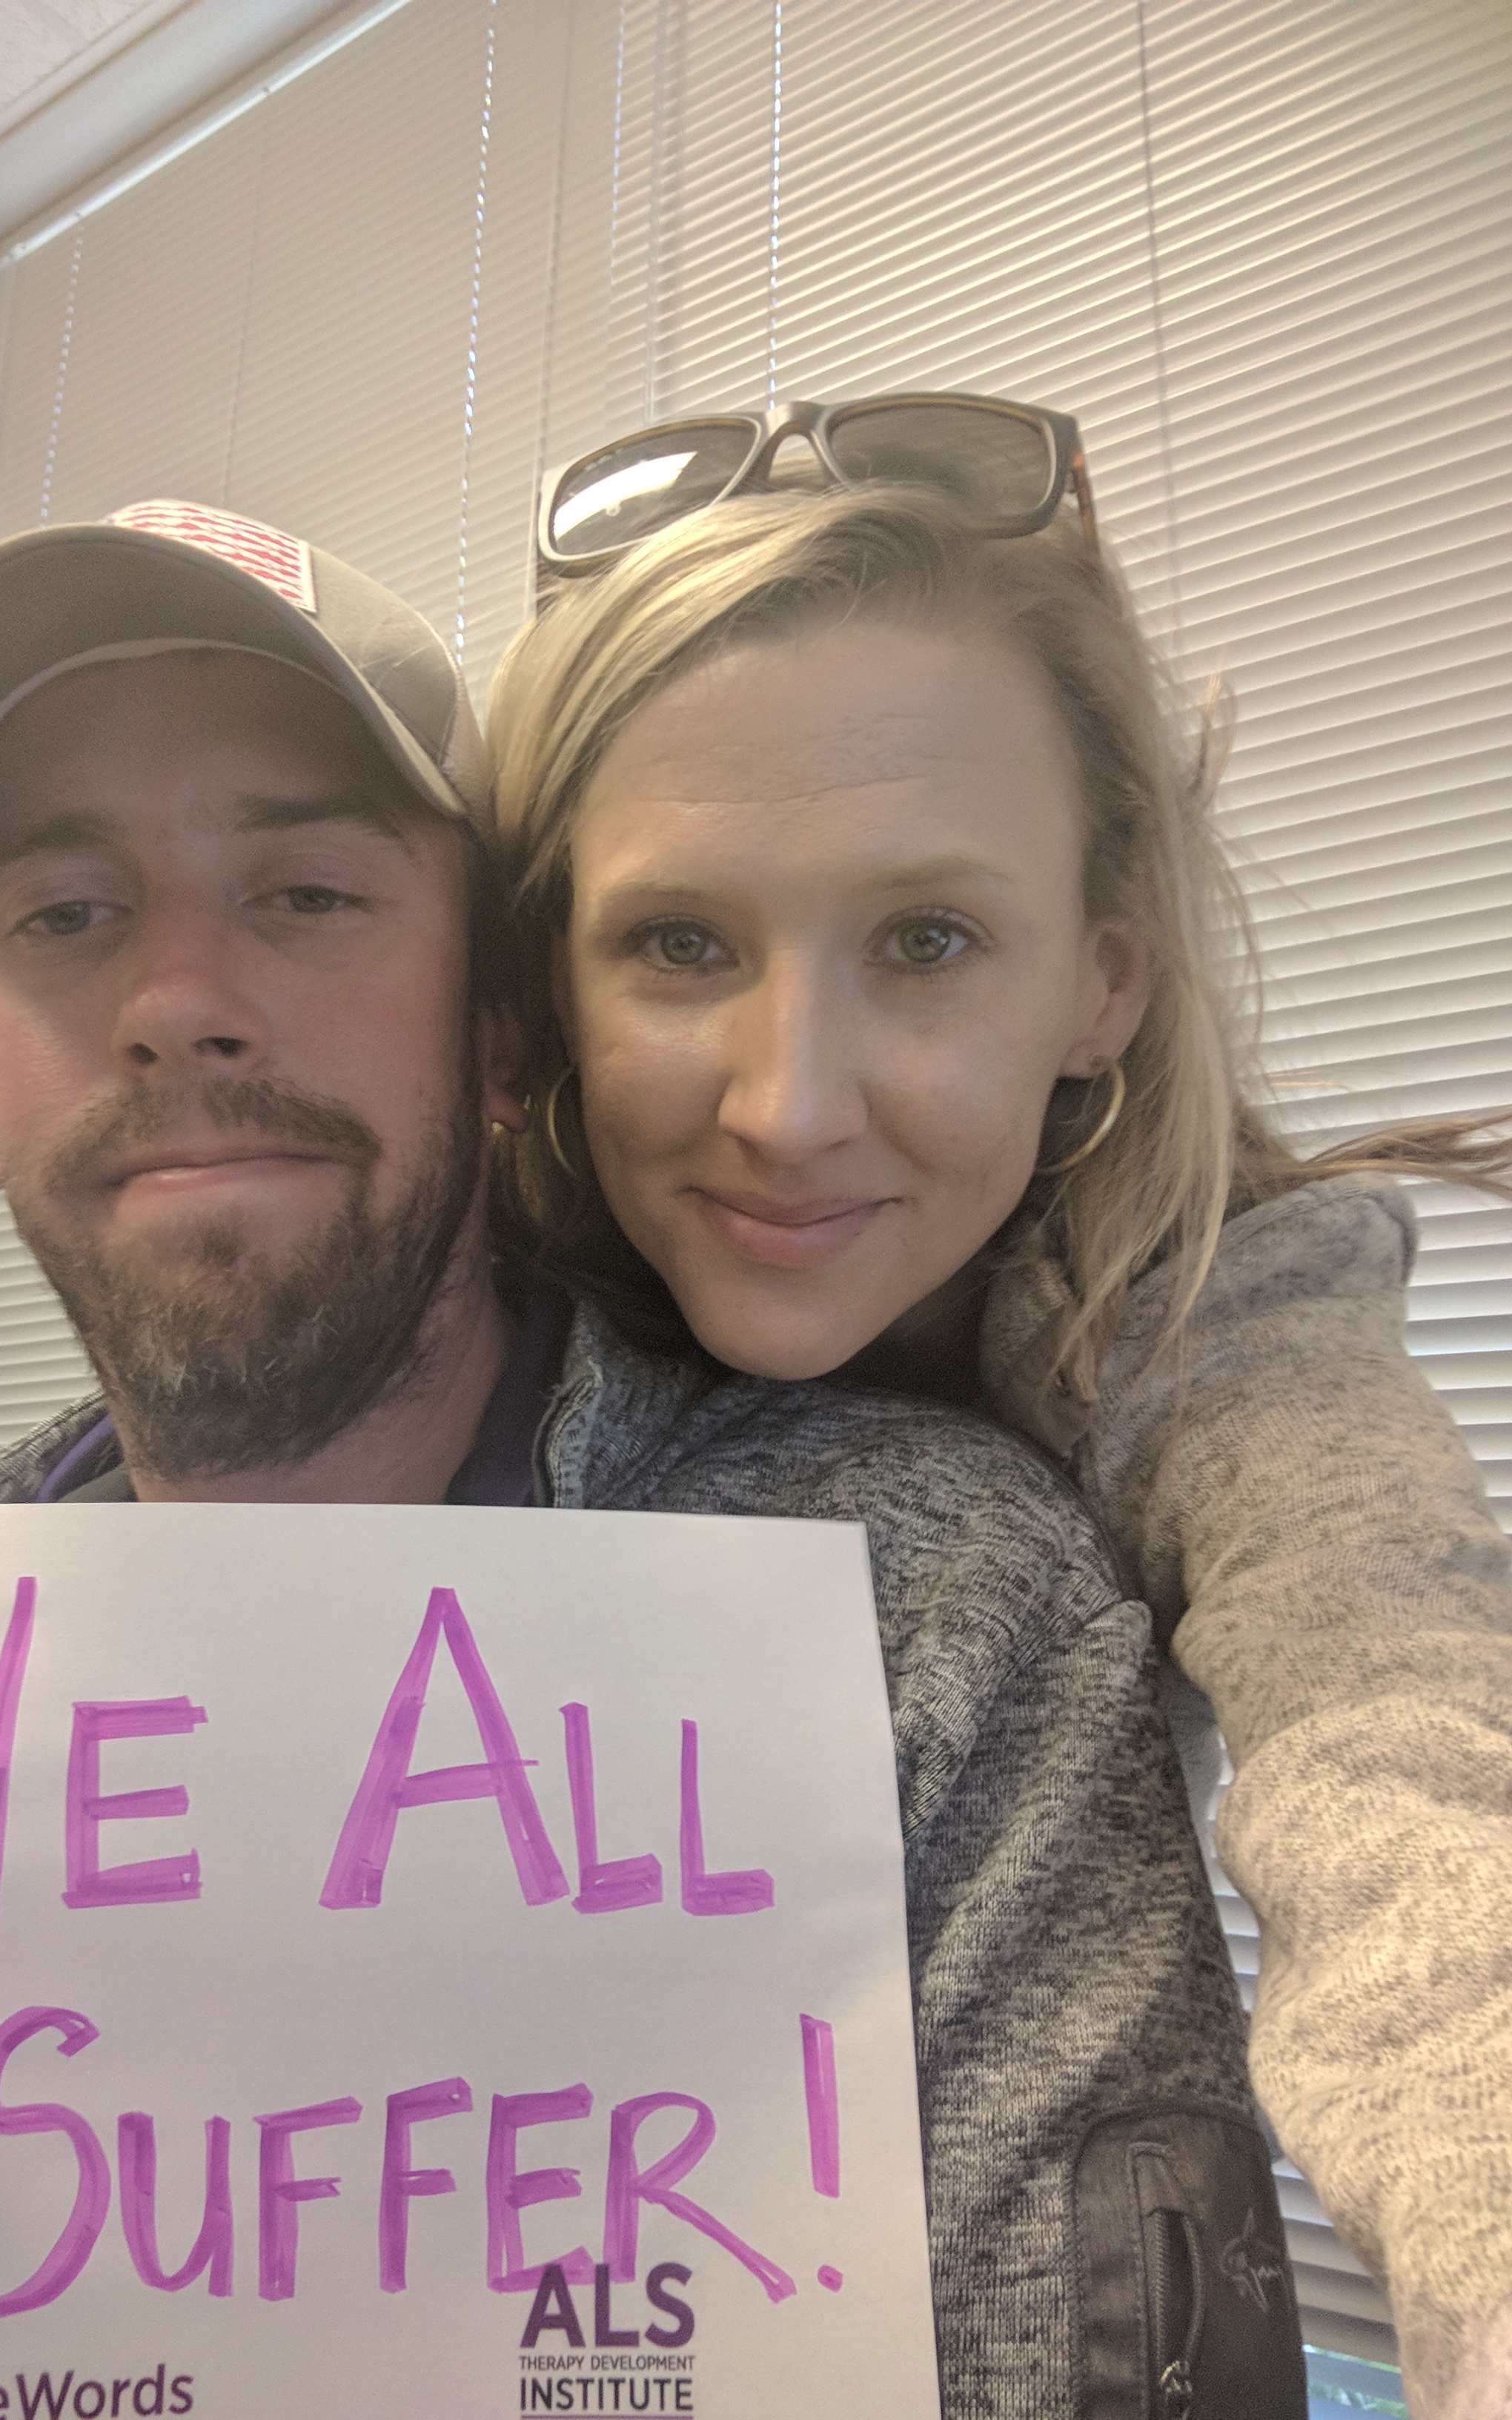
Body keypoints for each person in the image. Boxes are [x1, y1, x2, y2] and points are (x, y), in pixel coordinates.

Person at [0, 501, 1307, 2417]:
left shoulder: (928, 1601)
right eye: (65, 911)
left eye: (305, 892)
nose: (178, 997)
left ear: (499, 1032)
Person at [483, 417, 1512, 2420]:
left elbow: (1405, 1761)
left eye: (930, 942)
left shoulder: (1215, 1325)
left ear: (1102, 979)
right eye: (681, 943)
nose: (789, 1102)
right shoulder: (492, 1301)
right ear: (544, 989)